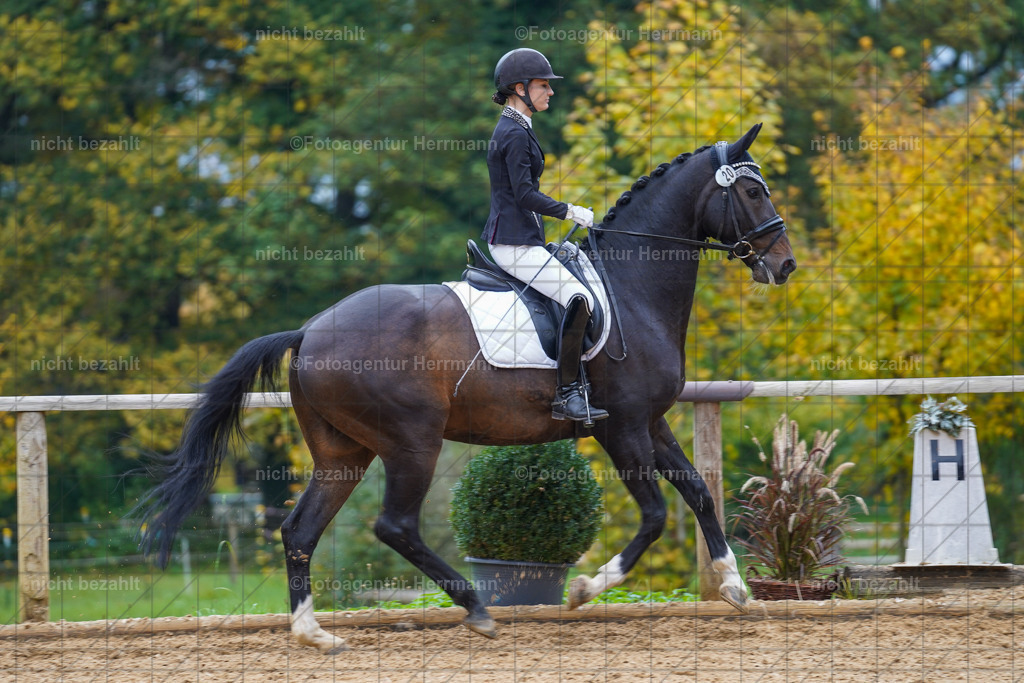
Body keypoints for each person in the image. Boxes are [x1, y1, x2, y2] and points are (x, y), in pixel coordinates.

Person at [481, 48, 608, 424]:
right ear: (519, 88)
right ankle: (567, 394)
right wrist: (570, 211)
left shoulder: (516, 126)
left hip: (522, 237)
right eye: (543, 86)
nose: (550, 92)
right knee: (579, 297)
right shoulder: (513, 133)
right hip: (513, 243)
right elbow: (524, 195)